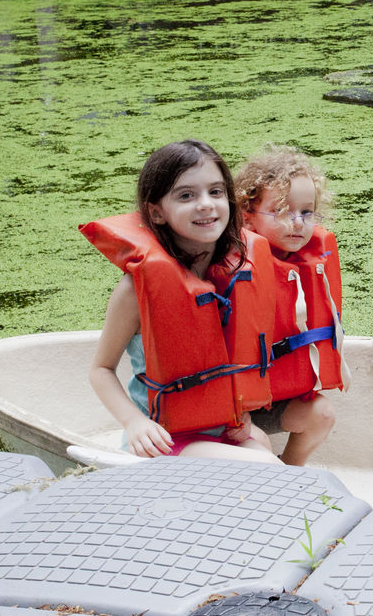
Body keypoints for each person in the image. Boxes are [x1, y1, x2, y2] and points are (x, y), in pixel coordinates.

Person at [84, 140, 281, 463]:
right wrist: (134, 423)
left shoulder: (235, 273)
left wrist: (241, 411)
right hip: (163, 439)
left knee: (262, 445)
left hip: (221, 428)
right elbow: (100, 369)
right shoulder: (135, 290)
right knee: (267, 465)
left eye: (215, 192)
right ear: (156, 212)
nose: (205, 204)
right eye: (186, 195)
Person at [234, 146, 340, 466]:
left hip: (274, 399)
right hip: (229, 406)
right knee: (258, 443)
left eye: (306, 212)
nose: (297, 223)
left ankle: (291, 471)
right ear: (247, 216)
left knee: (322, 414)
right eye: (281, 211)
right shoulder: (231, 268)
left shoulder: (308, 266)